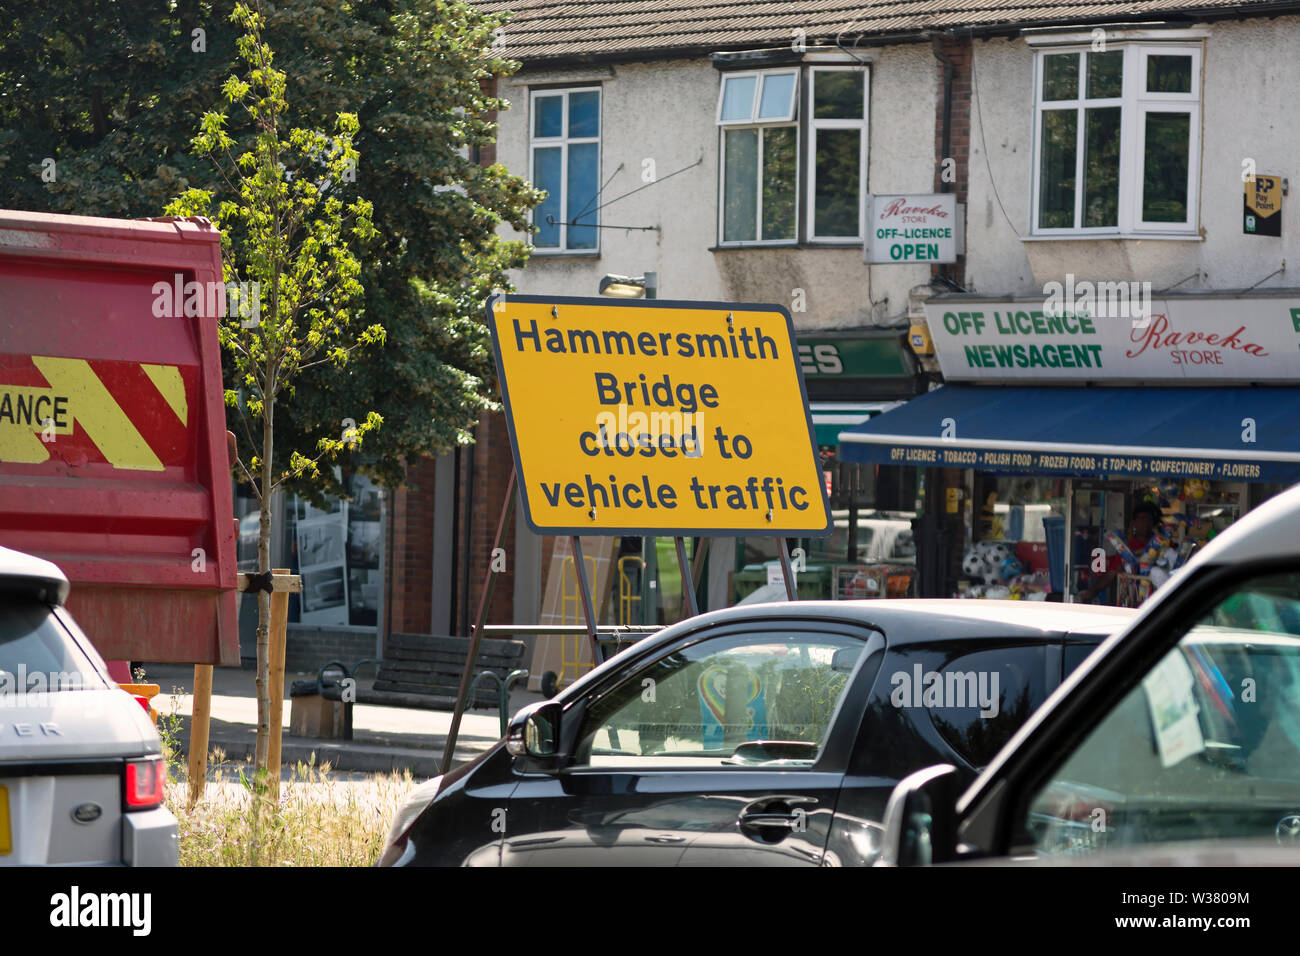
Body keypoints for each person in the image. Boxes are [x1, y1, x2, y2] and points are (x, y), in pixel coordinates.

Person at [1078, 501, 1162, 604]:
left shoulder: (1159, 543)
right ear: (1134, 522)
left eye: (1149, 519)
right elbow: (1111, 574)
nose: (1146, 523)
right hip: (1135, 602)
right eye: (1142, 519)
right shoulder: (1127, 548)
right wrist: (1091, 592)